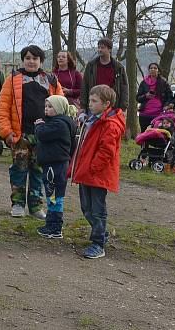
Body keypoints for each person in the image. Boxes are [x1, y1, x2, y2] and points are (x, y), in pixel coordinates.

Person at [0, 44, 64, 219]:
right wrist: (6, 132)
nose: (31, 61)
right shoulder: (12, 79)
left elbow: (61, 106)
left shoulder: (51, 80)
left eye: (34, 58)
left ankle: (35, 206)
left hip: (44, 136)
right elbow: (2, 107)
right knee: (19, 170)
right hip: (20, 135)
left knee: (39, 172)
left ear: (41, 60)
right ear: (23, 60)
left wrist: (58, 130)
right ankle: (17, 204)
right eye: (27, 58)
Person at [70, 85, 125, 259]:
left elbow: (106, 151)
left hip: (97, 174)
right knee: (86, 207)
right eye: (90, 100)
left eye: (94, 101)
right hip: (87, 171)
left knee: (97, 209)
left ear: (106, 103)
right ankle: (100, 231)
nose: (90, 104)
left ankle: (98, 242)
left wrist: (93, 168)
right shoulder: (92, 120)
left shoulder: (110, 125)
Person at [33, 96, 77, 239]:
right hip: (56, 164)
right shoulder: (61, 122)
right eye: (45, 106)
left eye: (50, 106)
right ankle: (51, 224)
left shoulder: (59, 124)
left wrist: (38, 126)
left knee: (54, 196)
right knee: (53, 195)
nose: (46, 109)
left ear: (58, 108)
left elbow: (42, 134)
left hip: (55, 165)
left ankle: (55, 227)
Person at [81, 38, 128, 112]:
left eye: (102, 47)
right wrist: (83, 106)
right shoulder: (91, 65)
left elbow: (124, 88)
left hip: (113, 106)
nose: (100, 50)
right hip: (94, 105)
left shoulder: (118, 67)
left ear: (109, 49)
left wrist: (123, 108)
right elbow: (85, 85)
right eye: (99, 47)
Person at [136, 63, 172, 131]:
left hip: (158, 114)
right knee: (144, 135)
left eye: (155, 68)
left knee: (157, 136)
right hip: (144, 114)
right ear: (149, 70)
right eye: (151, 68)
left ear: (158, 71)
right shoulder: (144, 83)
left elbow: (170, 97)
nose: (153, 69)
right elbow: (138, 98)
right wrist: (145, 96)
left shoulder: (163, 82)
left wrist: (166, 105)